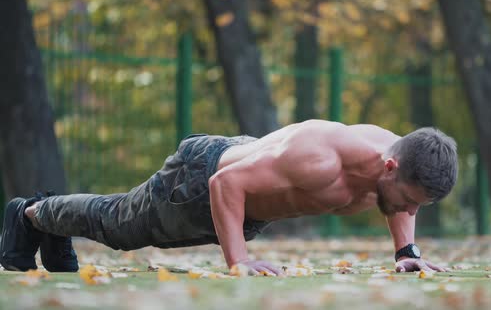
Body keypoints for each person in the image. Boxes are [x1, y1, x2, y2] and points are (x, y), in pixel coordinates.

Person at [0, 120, 458, 275]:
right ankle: (32, 215)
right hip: (202, 182)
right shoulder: (319, 159)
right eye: (410, 200)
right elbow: (227, 185)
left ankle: (48, 227)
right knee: (118, 227)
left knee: (118, 226)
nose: (409, 211)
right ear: (389, 167)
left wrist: (406, 251)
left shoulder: (401, 154)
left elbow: (399, 199)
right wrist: (237, 261)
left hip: (248, 183)